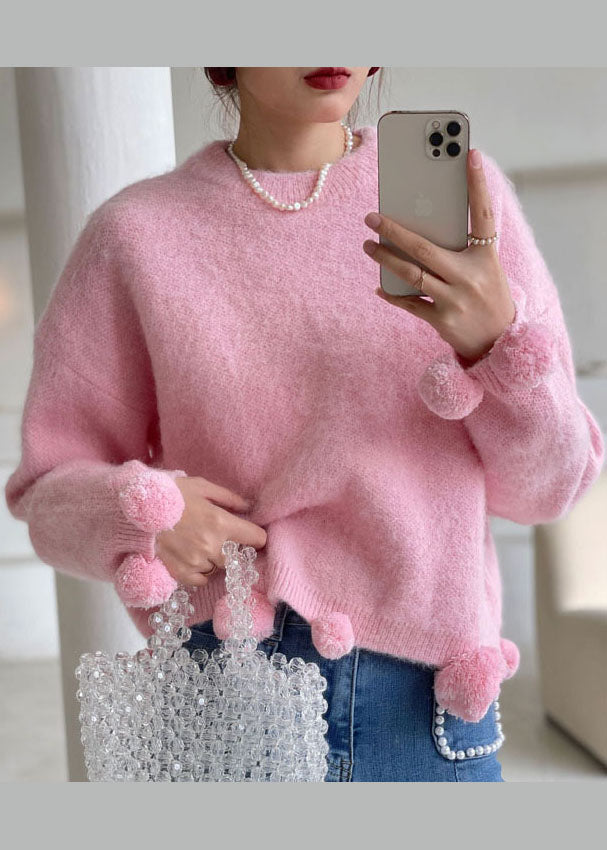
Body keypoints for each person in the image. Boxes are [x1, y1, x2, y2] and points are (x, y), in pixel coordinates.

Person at [5, 67, 604, 782]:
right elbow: (48, 489)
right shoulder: (137, 235)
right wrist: (148, 516)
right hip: (231, 691)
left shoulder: (471, 208)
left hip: (429, 706)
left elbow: (550, 489)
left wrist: (497, 349)